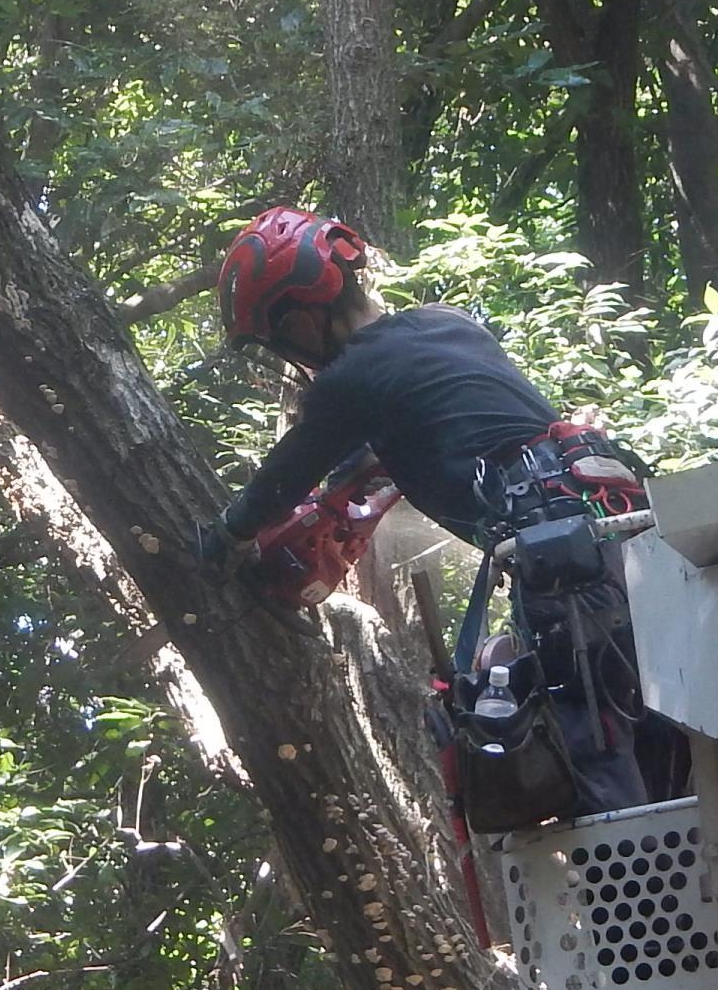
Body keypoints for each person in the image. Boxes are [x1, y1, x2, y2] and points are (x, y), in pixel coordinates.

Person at [195, 206, 678, 819]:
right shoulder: (448, 325)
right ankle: (694, 894)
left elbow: (284, 478)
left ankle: (644, 911)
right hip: (619, 527)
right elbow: (439, 417)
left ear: (299, 316)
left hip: (558, 555)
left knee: (590, 742)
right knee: (661, 720)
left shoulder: (350, 381)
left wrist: (226, 537)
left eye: (278, 333)